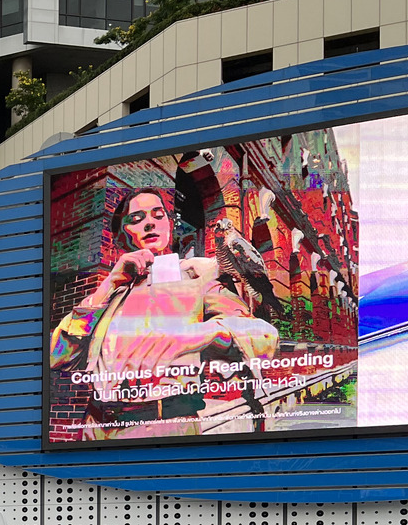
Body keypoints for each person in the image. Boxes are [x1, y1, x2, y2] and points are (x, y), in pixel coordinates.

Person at [50, 188, 278, 440]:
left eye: (158, 216)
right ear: (122, 235)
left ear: (169, 226)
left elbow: (264, 337)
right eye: (136, 219)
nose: (149, 223)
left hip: (164, 426)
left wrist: (196, 335)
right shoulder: (110, 293)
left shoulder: (196, 275)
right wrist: (109, 285)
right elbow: (57, 356)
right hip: (95, 426)